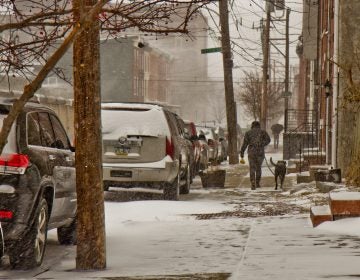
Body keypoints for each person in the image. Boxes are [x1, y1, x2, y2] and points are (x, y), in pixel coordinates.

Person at [240, 121, 271, 190]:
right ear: (259, 125)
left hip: (251, 152)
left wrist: (242, 152)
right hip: (260, 152)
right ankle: (257, 182)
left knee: (252, 168)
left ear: (252, 126)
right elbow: (268, 140)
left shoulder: (248, 133)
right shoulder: (263, 132)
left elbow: (245, 143)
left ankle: (253, 182)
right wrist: (262, 144)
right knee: (258, 167)